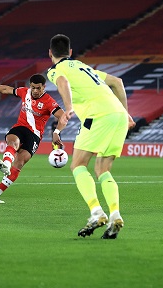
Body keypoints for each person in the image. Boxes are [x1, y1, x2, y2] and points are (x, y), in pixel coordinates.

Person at [47, 34, 136, 239]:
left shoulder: (55, 70)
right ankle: (115, 215)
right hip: (118, 116)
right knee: (102, 169)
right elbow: (118, 82)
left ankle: (96, 213)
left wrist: (68, 106)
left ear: (50, 53)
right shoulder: (84, 67)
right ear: (70, 52)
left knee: (77, 165)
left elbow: (62, 81)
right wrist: (126, 113)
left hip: (98, 116)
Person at [0, 74, 66, 204]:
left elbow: (63, 117)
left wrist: (56, 132)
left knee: (20, 163)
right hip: (20, 127)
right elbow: (4, 89)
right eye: (33, 88)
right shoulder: (24, 92)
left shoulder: (48, 101)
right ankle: (6, 165)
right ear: (30, 86)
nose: (36, 91)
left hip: (35, 135)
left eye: (38, 88)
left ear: (44, 87)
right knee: (13, 141)